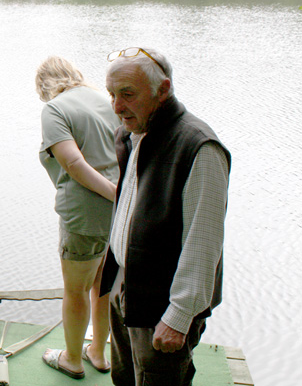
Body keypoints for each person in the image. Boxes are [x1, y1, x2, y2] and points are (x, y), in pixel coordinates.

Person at [100, 47, 231, 386]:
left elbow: (203, 242)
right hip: (125, 288)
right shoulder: (133, 134)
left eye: (127, 94)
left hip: (162, 303)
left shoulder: (199, 147)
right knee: (125, 378)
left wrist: (180, 314)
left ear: (163, 89)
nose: (116, 107)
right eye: (112, 94)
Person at [35, 56, 120, 380]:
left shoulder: (54, 110)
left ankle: (72, 358)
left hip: (85, 215)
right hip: (118, 215)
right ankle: (98, 352)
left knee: (76, 290)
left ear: (44, 85)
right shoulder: (105, 100)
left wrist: (112, 192)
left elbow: (73, 164)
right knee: (104, 286)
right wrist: (123, 195)